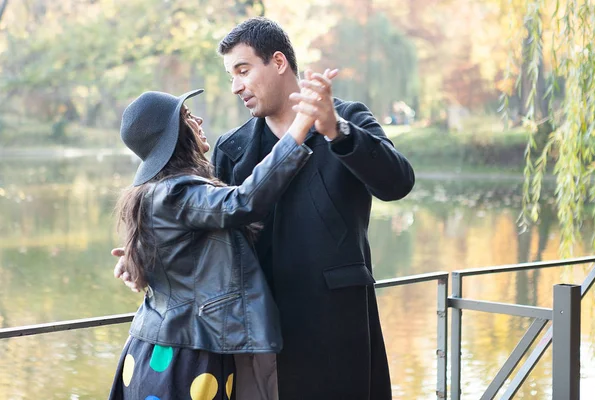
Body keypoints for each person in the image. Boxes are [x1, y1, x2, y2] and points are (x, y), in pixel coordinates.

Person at [115, 17, 415, 399]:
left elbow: (398, 184)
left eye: (243, 70)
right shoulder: (230, 147)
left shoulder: (347, 118)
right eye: (231, 75)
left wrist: (336, 129)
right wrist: (145, 253)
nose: (236, 86)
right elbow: (205, 224)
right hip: (254, 334)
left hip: (337, 324)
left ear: (278, 62)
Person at [108, 86, 325, 400]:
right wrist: (299, 129)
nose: (197, 120)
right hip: (186, 356)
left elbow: (176, 256)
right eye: (186, 116)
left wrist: (134, 258)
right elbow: (243, 201)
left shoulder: (150, 193)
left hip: (153, 349)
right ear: (174, 135)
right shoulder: (177, 192)